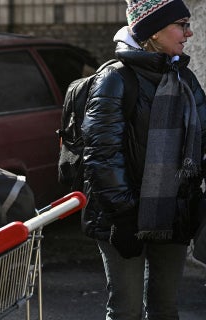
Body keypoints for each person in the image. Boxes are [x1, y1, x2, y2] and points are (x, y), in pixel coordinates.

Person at [81, 0, 206, 319]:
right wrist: (124, 216)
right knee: (126, 311)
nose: (189, 32)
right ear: (153, 30)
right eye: (181, 24)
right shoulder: (115, 79)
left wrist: (191, 203)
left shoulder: (185, 79)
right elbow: (101, 155)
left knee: (166, 308)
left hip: (173, 214)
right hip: (122, 217)